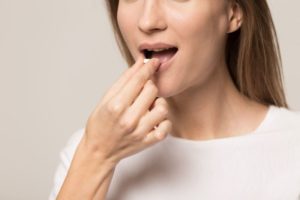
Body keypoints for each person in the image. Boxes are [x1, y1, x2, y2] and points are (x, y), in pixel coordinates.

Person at [49, 0, 300, 199]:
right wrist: (97, 156)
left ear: (233, 13)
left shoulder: (293, 150)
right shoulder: (87, 153)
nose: (147, 21)